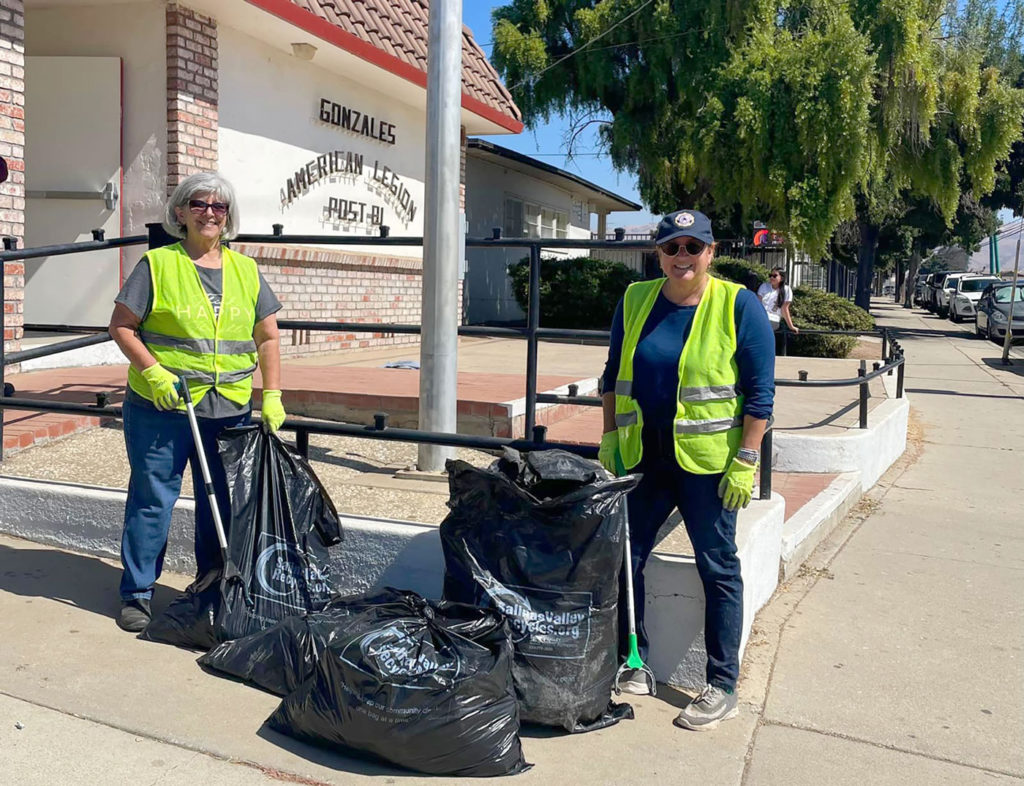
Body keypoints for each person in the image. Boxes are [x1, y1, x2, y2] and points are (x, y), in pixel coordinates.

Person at [598, 209, 775, 731]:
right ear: (658, 253)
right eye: (671, 247)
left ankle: (722, 685)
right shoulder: (635, 300)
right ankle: (635, 661)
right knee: (625, 558)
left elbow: (760, 395)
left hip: (707, 466)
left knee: (717, 566)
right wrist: (609, 434)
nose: (681, 257)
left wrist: (746, 459)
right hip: (643, 456)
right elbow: (612, 374)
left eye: (692, 248)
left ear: (711, 252)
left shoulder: (738, 304)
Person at [108, 172, 286, 632]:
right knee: (152, 497)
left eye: (219, 207)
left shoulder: (246, 270)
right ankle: (138, 592)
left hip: (228, 406)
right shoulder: (157, 265)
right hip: (162, 406)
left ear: (228, 218)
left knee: (221, 504)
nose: (210, 213)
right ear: (181, 212)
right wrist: (152, 370)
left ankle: (213, 588)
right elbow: (122, 326)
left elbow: (267, 338)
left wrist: (273, 394)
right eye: (199, 204)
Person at [757, 267, 799, 350]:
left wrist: (791, 326)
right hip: (760, 317)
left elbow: (784, 309)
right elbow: (757, 304)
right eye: (770, 275)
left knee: (763, 329)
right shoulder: (764, 286)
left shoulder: (786, 290)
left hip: (773, 319)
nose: (771, 278)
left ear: (782, 278)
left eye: (775, 276)